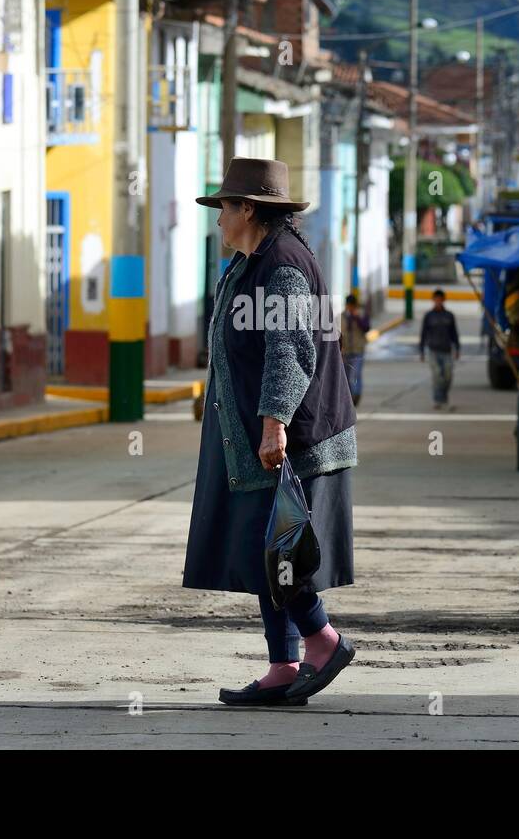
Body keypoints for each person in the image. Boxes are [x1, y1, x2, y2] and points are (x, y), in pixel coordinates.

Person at [183, 157, 358, 706]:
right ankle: (284, 665)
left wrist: (273, 423)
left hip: (292, 437)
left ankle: (322, 641)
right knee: (266, 549)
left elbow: (289, 350)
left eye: (224, 209)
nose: (217, 220)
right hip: (260, 435)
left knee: (279, 549)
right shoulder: (249, 261)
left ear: (249, 210)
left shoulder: (281, 264)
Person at [419, 289, 460, 409]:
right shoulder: (428, 316)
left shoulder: (449, 316)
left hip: (447, 350)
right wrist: (421, 351)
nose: (438, 302)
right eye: (436, 299)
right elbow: (423, 334)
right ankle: (438, 399)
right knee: (437, 375)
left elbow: (454, 334)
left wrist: (457, 348)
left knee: (447, 376)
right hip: (433, 351)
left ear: (443, 300)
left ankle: (444, 396)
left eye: (440, 300)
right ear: (433, 300)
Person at [340, 294, 370, 406]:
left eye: (352, 306)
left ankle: (356, 396)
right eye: (349, 306)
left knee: (356, 374)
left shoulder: (361, 315)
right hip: (346, 351)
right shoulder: (342, 316)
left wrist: (357, 318)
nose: (350, 308)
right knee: (346, 377)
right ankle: (349, 398)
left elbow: (366, 328)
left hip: (358, 350)